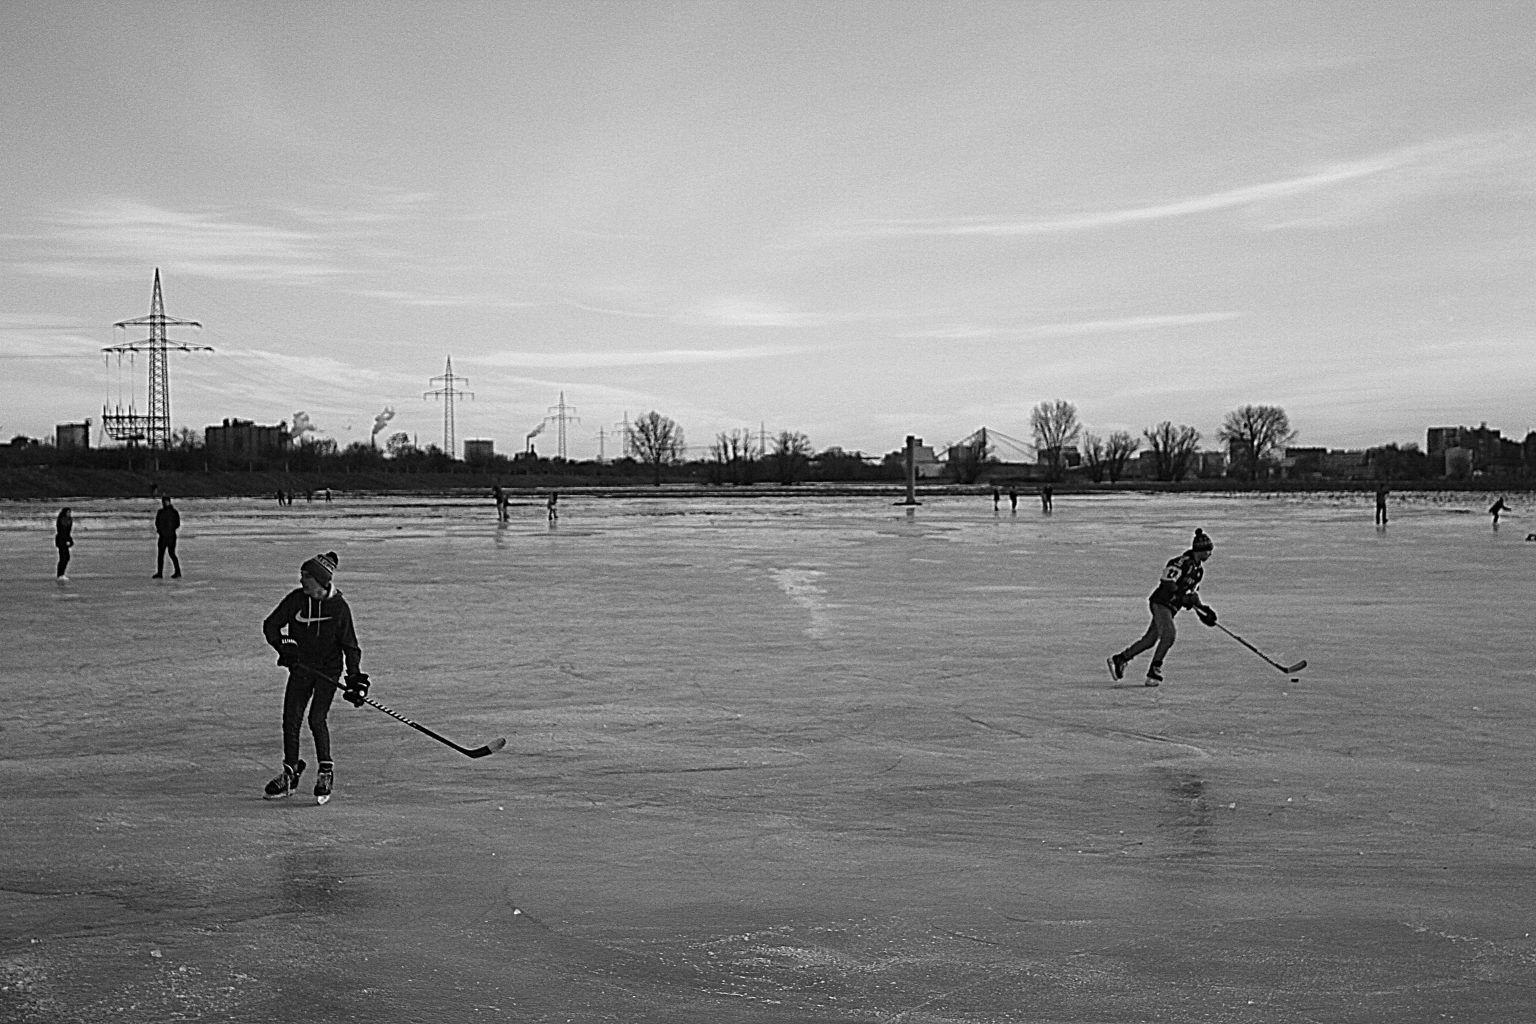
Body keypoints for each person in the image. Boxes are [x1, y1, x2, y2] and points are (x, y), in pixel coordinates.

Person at [261, 551, 368, 802]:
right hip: (301, 669)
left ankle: (325, 771)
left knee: (316, 718)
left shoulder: (339, 608)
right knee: (291, 718)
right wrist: (285, 646)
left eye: (306, 577)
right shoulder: (296, 600)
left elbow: (351, 647)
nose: (301, 581)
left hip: (328, 672)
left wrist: (354, 679)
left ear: (320, 580)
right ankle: (290, 773)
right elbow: (270, 625)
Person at [1107, 528, 1218, 687]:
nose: (1210, 554)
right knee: (1169, 635)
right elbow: (1167, 582)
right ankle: (1154, 670)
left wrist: (1203, 611)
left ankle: (1120, 659)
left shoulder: (1199, 571)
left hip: (1171, 608)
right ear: (1200, 550)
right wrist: (1181, 598)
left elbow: (1192, 596)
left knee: (1150, 640)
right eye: (1209, 550)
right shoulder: (1181, 562)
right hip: (1161, 603)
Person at [153, 496, 182, 578]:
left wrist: (170, 530)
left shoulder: (174, 512)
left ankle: (178, 571)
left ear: (169, 502)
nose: (164, 503)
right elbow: (157, 523)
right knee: (160, 555)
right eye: (163, 502)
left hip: (171, 536)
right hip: (163, 536)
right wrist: (160, 531)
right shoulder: (161, 512)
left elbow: (177, 524)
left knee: (171, 553)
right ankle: (160, 573)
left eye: (166, 501)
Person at [55, 507, 73, 581]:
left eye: (70, 512)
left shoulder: (69, 520)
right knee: (64, 557)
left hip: (65, 539)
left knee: (66, 557)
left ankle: (61, 574)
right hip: (60, 540)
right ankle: (60, 574)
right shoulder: (61, 520)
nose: (69, 514)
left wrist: (70, 540)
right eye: (68, 512)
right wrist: (65, 540)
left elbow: (68, 532)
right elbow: (61, 531)